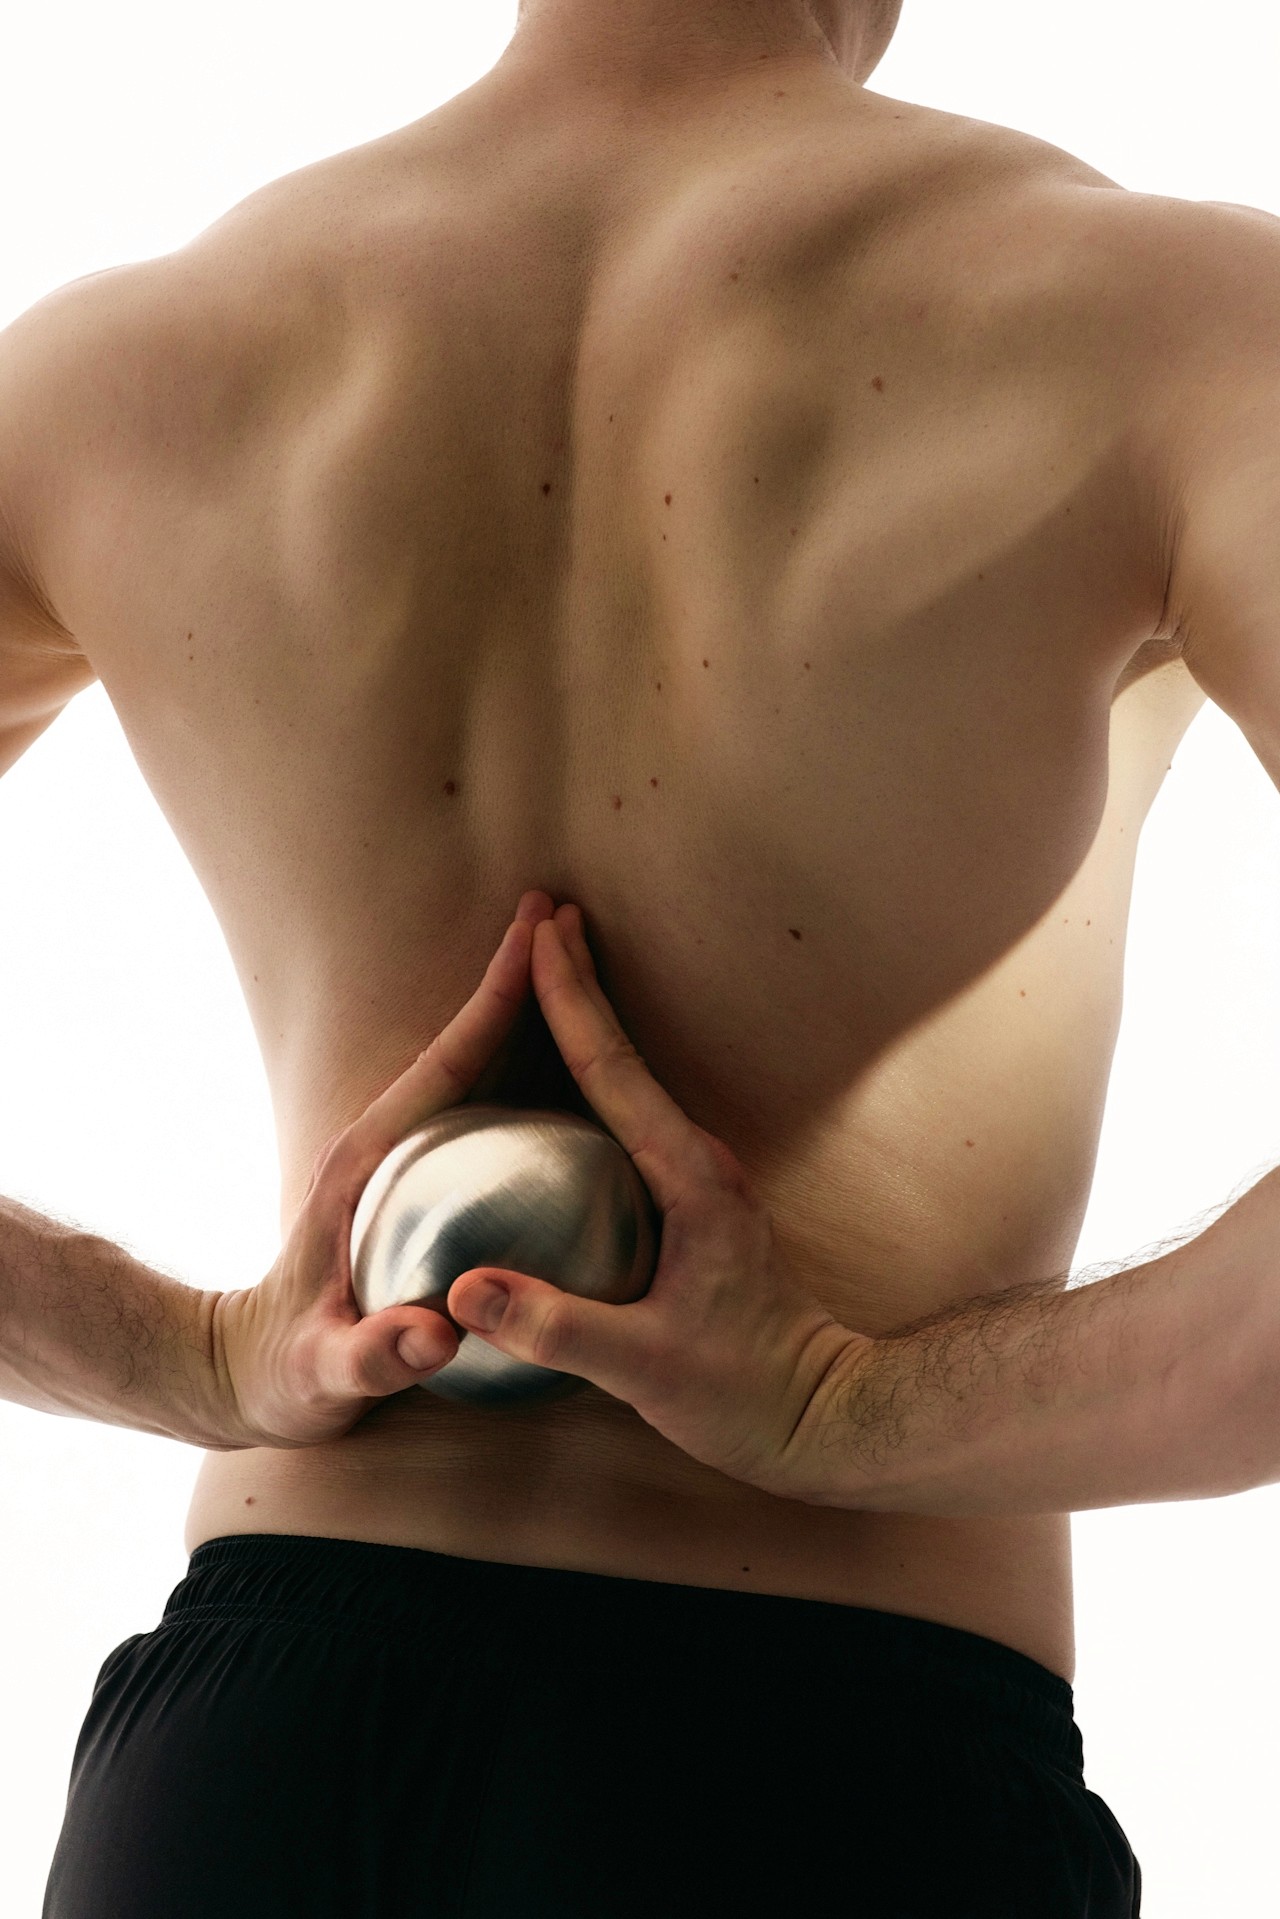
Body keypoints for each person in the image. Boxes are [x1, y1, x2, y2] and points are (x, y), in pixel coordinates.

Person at [3, 0, 1277, 1909]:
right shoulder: (1185, 336)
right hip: (836, 1766)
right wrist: (848, 1410)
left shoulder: (115, 374)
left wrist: (197, 1360)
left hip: (250, 1777)